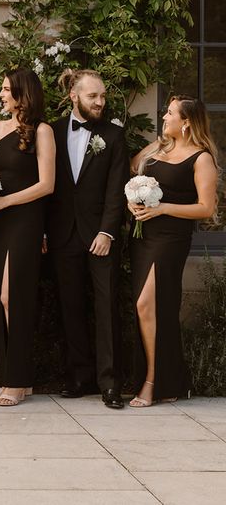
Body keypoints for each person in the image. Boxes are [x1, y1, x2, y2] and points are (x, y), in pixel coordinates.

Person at [128, 96, 218, 407]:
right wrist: (132, 199)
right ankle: (166, 379)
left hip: (170, 239)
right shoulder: (159, 148)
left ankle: (153, 380)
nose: (164, 117)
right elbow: (133, 171)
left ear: (187, 122)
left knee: (145, 304)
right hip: (143, 236)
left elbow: (206, 208)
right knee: (151, 308)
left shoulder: (201, 158)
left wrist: (163, 208)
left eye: (170, 113)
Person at [47, 69, 129, 410]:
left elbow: (116, 187)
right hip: (63, 234)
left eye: (103, 96)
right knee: (70, 307)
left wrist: (107, 231)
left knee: (107, 307)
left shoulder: (113, 135)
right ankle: (79, 377)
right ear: (74, 96)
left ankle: (110, 383)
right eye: (93, 96)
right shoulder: (50, 132)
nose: (100, 101)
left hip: (100, 235)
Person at [0, 67, 55, 407]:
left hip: (26, 220)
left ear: (24, 93)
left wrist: (5, 200)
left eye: (7, 89)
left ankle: (18, 378)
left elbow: (47, 184)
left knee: (14, 297)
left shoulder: (43, 131)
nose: (2, 94)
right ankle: (14, 376)